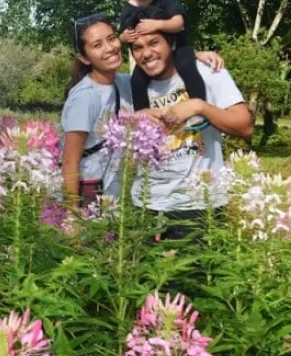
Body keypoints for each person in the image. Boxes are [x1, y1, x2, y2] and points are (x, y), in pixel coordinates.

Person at [60, 13, 225, 209]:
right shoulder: (84, 97)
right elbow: (70, 161)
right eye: (97, 45)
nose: (110, 48)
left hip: (114, 195)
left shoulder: (124, 83)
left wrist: (193, 57)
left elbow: (160, 65)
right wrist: (72, 214)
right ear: (84, 58)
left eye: (112, 39)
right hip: (88, 193)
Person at [123, 6, 254, 240]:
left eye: (154, 43)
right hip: (146, 205)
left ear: (171, 43)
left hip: (198, 205)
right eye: (137, 48)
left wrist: (199, 106)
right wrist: (135, 120)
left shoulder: (207, 72)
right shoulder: (129, 87)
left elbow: (245, 126)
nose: (146, 53)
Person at [119, 0, 208, 132]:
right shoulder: (127, 8)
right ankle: (144, 118)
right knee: (136, 81)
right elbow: (121, 35)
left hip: (179, 47)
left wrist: (156, 25)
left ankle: (198, 110)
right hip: (151, 55)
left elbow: (179, 23)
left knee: (187, 67)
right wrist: (124, 37)